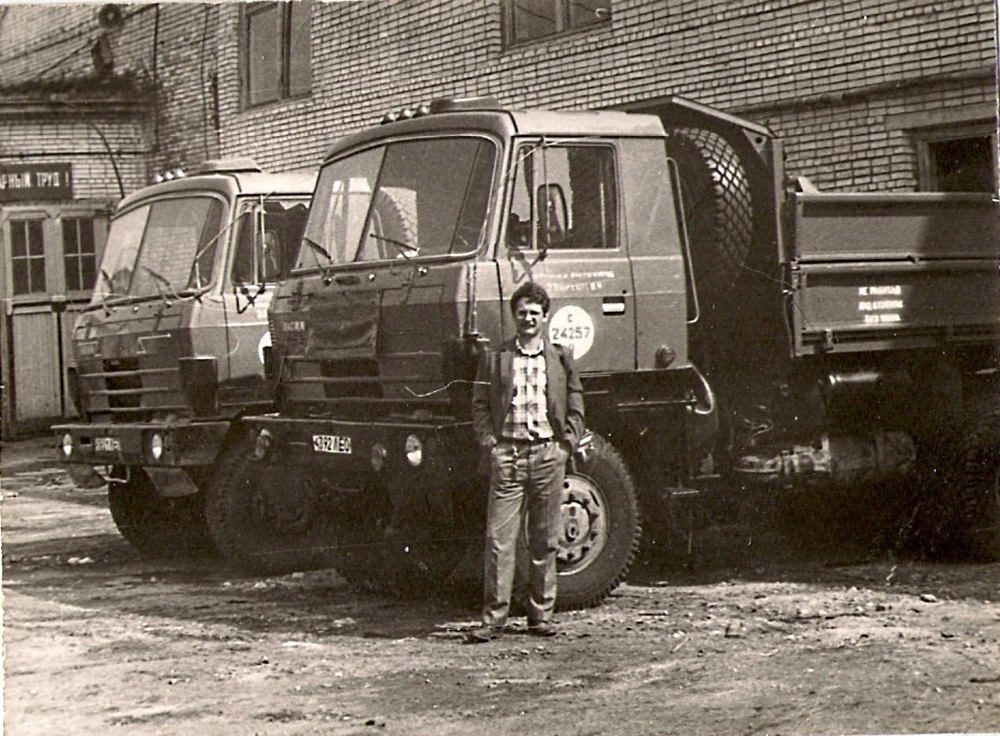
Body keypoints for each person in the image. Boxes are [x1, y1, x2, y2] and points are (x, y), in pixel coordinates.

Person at [467, 281, 585, 642]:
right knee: (499, 540)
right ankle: (494, 619)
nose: (529, 318)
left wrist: (566, 444)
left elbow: (577, 404)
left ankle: (540, 616)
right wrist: (490, 444)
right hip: (509, 457)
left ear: (545, 317)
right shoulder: (497, 357)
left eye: (535, 313)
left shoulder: (561, 357)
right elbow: (480, 405)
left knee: (544, 540)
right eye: (522, 313)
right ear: (514, 317)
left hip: (549, 456)